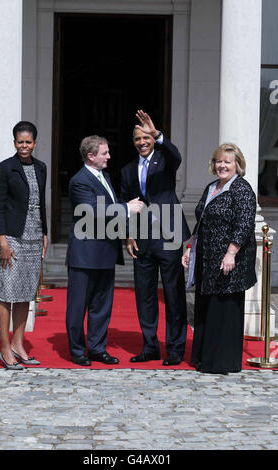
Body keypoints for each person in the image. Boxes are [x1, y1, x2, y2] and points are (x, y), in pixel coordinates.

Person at [66, 135, 144, 366]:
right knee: (78, 307)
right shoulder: (79, 180)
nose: (109, 156)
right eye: (104, 153)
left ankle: (98, 348)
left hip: (105, 252)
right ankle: (78, 351)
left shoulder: (105, 176)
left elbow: (110, 210)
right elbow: (92, 212)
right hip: (85, 254)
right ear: (91, 156)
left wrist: (127, 233)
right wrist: (127, 207)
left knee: (102, 307)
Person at [121, 110, 191, 366]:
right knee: (145, 295)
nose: (142, 142)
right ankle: (149, 345)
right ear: (133, 141)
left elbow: (177, 156)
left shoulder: (164, 160)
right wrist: (128, 235)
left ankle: (174, 348)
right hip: (142, 238)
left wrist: (158, 134)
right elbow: (125, 203)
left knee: (173, 293)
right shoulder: (128, 170)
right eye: (138, 138)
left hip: (169, 234)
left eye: (146, 137)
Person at [182, 143, 257, 374]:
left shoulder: (242, 189)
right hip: (207, 257)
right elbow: (201, 219)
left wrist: (231, 253)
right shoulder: (212, 186)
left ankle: (221, 361)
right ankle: (205, 357)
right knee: (207, 307)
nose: (222, 165)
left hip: (229, 259)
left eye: (227, 161)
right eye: (218, 161)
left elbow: (244, 224)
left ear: (237, 165)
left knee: (223, 309)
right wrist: (189, 247)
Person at [0, 121, 48, 370]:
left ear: (35, 143)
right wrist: (2, 240)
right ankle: (5, 349)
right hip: (12, 238)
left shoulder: (41, 167)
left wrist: (45, 233)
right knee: (7, 294)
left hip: (35, 238)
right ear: (14, 142)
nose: (24, 146)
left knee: (26, 294)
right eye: (20, 142)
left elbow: (42, 202)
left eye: (28, 142)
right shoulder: (6, 168)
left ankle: (18, 344)